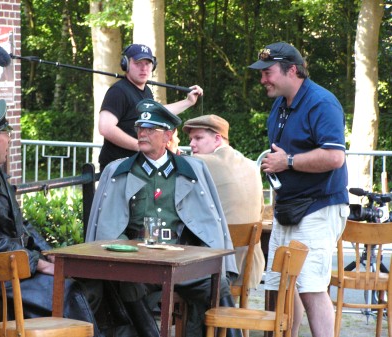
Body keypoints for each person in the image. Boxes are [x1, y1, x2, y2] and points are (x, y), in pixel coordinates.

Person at [0, 100, 103, 337]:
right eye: (7, 135)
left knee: (95, 284)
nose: (10, 141)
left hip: (15, 269)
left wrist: (50, 255)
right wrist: (37, 262)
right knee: (72, 290)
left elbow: (20, 225)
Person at [86, 98, 241, 337]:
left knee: (216, 284)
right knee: (127, 284)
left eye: (150, 129)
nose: (142, 134)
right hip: (138, 264)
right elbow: (108, 226)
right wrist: (125, 250)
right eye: (139, 128)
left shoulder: (191, 170)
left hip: (181, 262)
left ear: (168, 135)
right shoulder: (119, 171)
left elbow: (210, 221)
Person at [248, 42, 349, 337]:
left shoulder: (322, 103)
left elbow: (334, 157)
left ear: (292, 70)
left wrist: (287, 161)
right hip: (289, 208)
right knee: (283, 283)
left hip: (319, 206)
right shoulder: (280, 104)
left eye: (268, 72)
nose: (263, 79)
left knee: (311, 286)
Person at [182, 114, 265, 290]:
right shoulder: (252, 165)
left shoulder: (198, 163)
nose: (191, 144)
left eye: (198, 138)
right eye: (191, 139)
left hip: (217, 269)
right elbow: (261, 210)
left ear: (217, 139)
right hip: (251, 268)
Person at [98, 43, 203, 171]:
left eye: (147, 64)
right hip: (119, 168)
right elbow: (106, 128)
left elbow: (159, 112)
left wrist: (188, 102)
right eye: (138, 63)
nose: (144, 68)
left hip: (139, 166)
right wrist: (139, 145)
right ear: (126, 64)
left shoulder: (146, 91)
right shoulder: (118, 91)